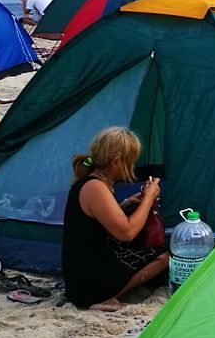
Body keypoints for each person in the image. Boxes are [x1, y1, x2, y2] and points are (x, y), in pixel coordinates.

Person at [62, 128, 169, 312]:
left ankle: (107, 292)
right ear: (116, 161)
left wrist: (127, 203)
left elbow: (94, 222)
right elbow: (126, 232)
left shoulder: (91, 181)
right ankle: (107, 298)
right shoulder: (96, 187)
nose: (132, 166)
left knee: (144, 252)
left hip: (80, 274)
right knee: (162, 256)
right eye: (130, 161)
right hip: (88, 283)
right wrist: (149, 199)